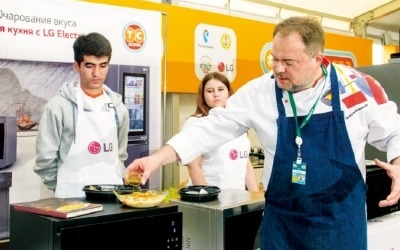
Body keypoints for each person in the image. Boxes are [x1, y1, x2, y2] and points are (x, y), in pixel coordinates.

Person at [126, 16, 400, 249]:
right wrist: (157, 158)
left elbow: (394, 131)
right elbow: (207, 128)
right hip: (282, 225)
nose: (278, 68)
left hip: (340, 224)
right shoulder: (260, 92)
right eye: (274, 58)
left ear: (318, 58)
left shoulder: (357, 88)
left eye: (289, 62)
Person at [34, 32, 129, 198]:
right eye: (90, 65)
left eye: (103, 65)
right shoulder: (58, 107)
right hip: (70, 197)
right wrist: (62, 186)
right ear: (77, 66)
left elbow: (120, 155)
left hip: (112, 196)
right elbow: (45, 160)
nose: (97, 74)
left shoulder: (118, 108)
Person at [182, 72, 259, 191]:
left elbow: (246, 164)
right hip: (210, 197)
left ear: (229, 92)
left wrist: (255, 198)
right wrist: (207, 197)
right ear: (203, 96)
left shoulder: (238, 121)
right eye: (210, 91)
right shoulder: (195, 122)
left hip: (237, 198)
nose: (216, 94)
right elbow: (193, 166)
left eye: (221, 89)